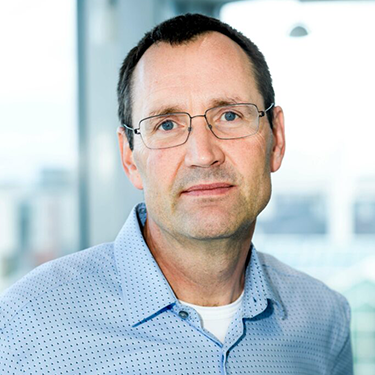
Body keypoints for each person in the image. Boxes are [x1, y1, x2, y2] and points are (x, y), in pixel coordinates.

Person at [0, 13, 353, 375]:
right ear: (130, 158)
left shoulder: (324, 319)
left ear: (276, 138)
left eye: (230, 116)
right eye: (166, 124)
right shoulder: (29, 325)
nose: (203, 154)